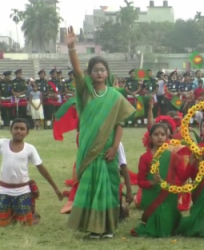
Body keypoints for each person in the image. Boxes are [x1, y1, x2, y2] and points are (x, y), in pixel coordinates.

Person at [65, 26, 135, 239]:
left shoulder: (115, 96)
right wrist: (71, 48)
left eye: (102, 69)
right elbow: (77, 71)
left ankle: (108, 227)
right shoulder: (85, 91)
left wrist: (115, 147)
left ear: (107, 73)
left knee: (107, 186)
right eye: (95, 70)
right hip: (88, 146)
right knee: (90, 184)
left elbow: (120, 123)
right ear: (90, 74)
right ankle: (92, 227)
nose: (98, 72)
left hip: (107, 149)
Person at [0, 118, 63, 226]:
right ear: (10, 130)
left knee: (25, 224)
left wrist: (56, 188)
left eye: (22, 129)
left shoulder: (30, 148)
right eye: (16, 128)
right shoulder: (2, 143)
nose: (18, 131)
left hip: (23, 191)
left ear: (27, 132)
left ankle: (31, 212)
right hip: (4, 191)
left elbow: (40, 167)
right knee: (2, 224)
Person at [131, 124, 188, 237]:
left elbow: (183, 177)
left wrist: (191, 162)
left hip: (168, 197)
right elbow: (140, 181)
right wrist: (152, 183)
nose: (160, 137)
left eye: (163, 134)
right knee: (160, 232)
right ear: (150, 137)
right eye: (156, 134)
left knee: (165, 230)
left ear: (167, 137)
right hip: (152, 197)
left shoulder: (173, 156)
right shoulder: (145, 157)